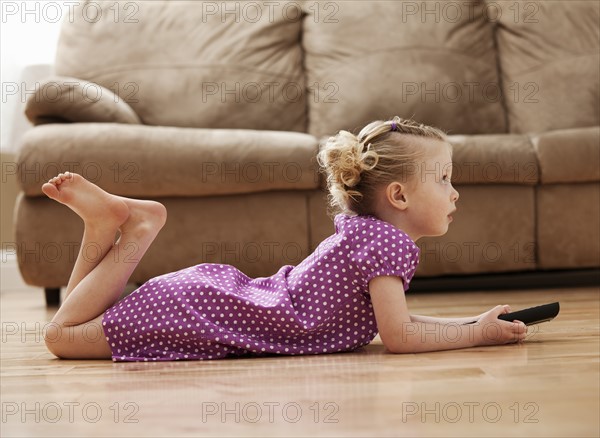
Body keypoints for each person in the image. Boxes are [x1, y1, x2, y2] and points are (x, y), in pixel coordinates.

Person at [42, 117, 527, 361]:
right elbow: (398, 338)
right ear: (398, 195)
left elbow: (394, 322)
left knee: (75, 324)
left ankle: (104, 230)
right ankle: (137, 231)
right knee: (60, 337)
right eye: (443, 178)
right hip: (199, 314)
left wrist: (469, 321)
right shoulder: (386, 246)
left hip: (210, 301)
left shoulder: (370, 236)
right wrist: (476, 336)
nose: (454, 192)